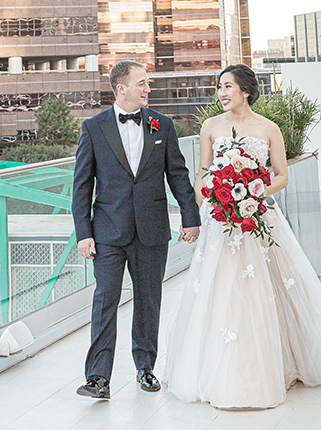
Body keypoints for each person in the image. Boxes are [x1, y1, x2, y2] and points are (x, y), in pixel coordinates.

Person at [165, 63, 321, 410]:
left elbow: (281, 176)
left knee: (267, 285)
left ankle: (279, 359)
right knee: (221, 287)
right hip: (220, 219)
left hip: (257, 215)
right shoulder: (210, 127)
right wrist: (205, 200)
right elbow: (202, 171)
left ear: (245, 90)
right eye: (218, 87)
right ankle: (220, 367)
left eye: (227, 86)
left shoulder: (268, 128)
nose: (221, 94)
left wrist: (253, 192)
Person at [72, 60, 200, 400]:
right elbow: (82, 186)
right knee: (105, 302)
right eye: (141, 83)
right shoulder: (93, 128)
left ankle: (145, 368)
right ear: (121, 88)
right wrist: (83, 232)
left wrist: (191, 217)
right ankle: (98, 378)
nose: (147, 89)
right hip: (107, 232)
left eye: (147, 83)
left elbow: (178, 175)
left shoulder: (163, 125)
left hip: (152, 230)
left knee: (148, 301)